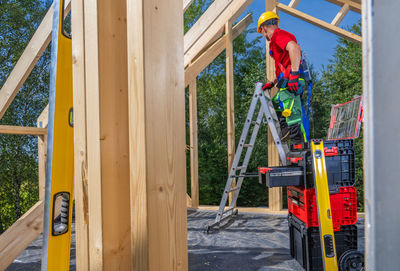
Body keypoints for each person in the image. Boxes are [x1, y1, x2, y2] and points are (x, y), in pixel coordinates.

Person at [257, 11, 309, 144]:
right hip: (288, 78)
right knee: (275, 102)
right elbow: (282, 68)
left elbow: (295, 48)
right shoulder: (275, 44)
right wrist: (272, 83)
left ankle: (302, 148)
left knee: (292, 113)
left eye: (262, 32)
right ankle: (285, 129)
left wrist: (294, 74)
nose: (264, 36)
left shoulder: (278, 35)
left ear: (263, 28)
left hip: (293, 78)